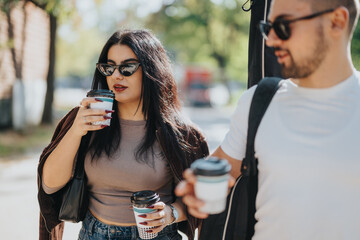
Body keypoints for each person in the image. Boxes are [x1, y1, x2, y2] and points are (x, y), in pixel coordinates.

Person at [176, 0, 360, 239]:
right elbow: (217, 171)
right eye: (267, 27)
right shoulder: (258, 101)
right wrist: (196, 189)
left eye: (283, 26)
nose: (270, 40)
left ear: (337, 21)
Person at [37, 29, 209, 240]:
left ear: (151, 69)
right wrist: (76, 131)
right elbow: (50, 185)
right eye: (109, 67)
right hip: (94, 235)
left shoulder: (180, 133)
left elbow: (201, 197)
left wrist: (170, 214)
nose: (116, 75)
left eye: (127, 67)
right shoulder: (86, 118)